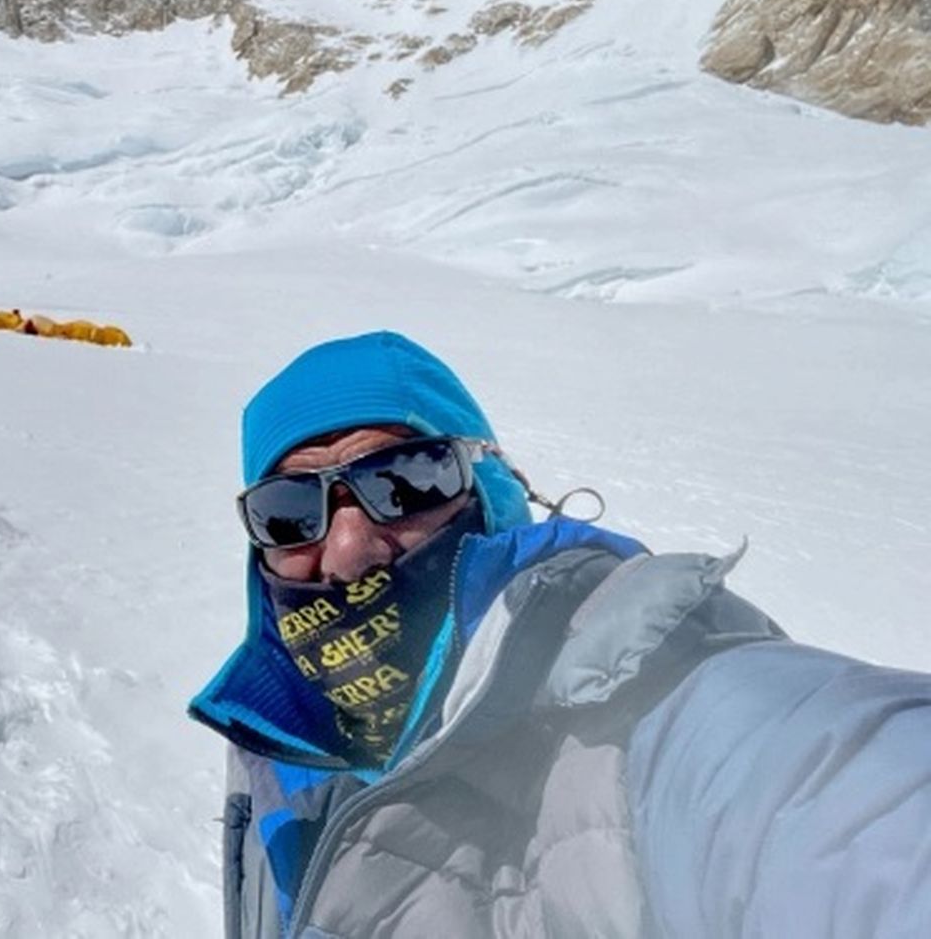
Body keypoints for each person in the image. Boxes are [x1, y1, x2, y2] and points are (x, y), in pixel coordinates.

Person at [189, 330, 931, 939]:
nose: (348, 552)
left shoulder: (639, 707)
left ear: (492, 497)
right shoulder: (274, 741)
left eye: (405, 480)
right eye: (291, 510)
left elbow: (832, 796)